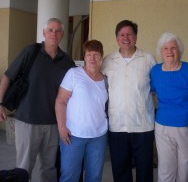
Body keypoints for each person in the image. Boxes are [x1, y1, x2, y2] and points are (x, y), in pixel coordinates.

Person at [0, 18, 75, 182]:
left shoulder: (67, 61)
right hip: (28, 120)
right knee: (24, 168)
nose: (53, 34)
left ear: (62, 34)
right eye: (50, 30)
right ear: (44, 33)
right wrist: (0, 103)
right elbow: (7, 76)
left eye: (57, 31)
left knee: (49, 168)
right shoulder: (30, 52)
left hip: (53, 123)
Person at [101, 20, 156, 182]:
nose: (126, 38)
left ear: (136, 37)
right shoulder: (108, 60)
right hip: (117, 125)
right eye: (122, 35)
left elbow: (155, 86)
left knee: (145, 169)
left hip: (143, 125)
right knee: (120, 169)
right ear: (117, 38)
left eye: (129, 34)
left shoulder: (148, 59)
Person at [150, 32, 188, 182]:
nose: (169, 52)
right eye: (165, 48)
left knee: (185, 166)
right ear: (161, 51)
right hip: (162, 125)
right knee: (166, 167)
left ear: (179, 50)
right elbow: (153, 92)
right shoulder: (155, 71)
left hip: (186, 126)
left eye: (173, 48)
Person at [55, 40, 108, 182]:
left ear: (101, 57)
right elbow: (61, 101)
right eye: (88, 55)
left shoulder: (105, 79)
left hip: (98, 136)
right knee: (69, 176)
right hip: (73, 135)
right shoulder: (73, 74)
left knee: (94, 177)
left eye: (96, 55)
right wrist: (61, 127)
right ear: (84, 57)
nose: (92, 58)